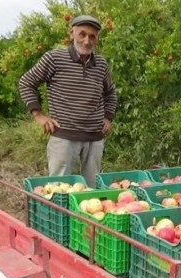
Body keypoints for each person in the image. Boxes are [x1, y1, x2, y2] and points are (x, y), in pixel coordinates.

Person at [18, 15, 117, 188]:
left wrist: (108, 117)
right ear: (72, 33)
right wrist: (39, 115)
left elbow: (111, 92)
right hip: (64, 136)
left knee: (92, 190)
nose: (87, 41)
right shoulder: (54, 59)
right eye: (82, 34)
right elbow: (26, 82)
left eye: (92, 36)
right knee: (58, 188)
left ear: (97, 38)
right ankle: (56, 215)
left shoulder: (101, 64)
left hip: (94, 138)